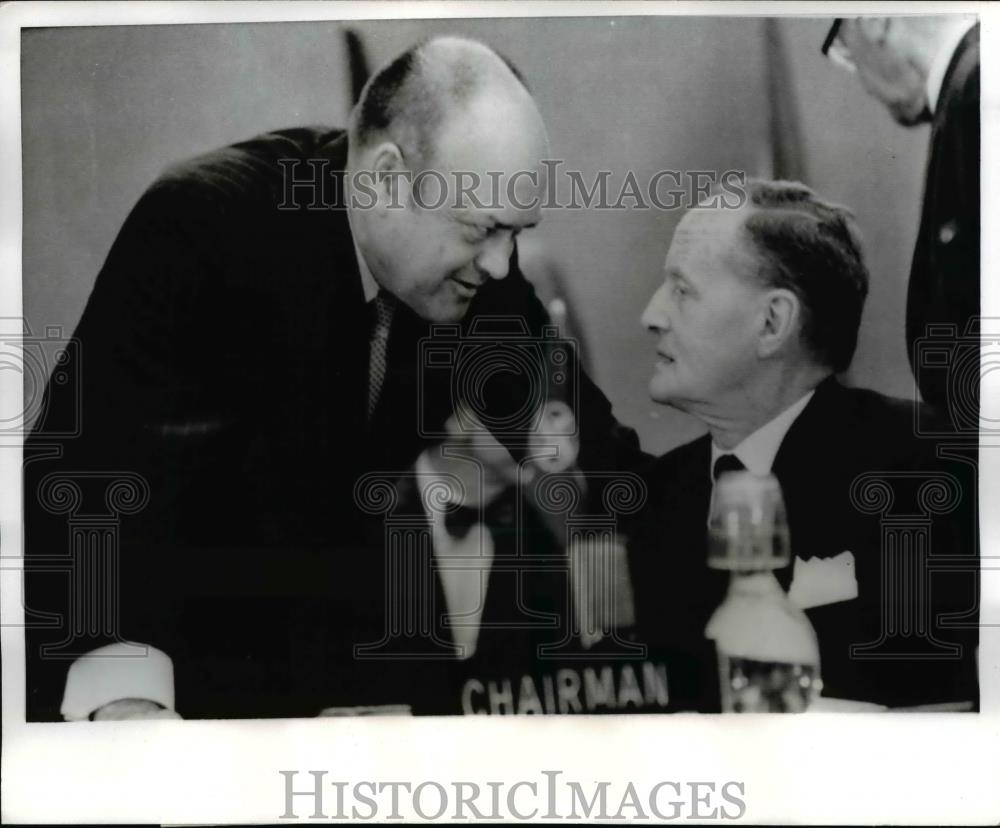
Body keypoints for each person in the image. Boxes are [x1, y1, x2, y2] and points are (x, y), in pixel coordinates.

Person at [23, 36, 646, 721]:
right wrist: (126, 698)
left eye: (515, 233)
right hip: (178, 698)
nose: (501, 265)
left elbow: (597, 451)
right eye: (481, 229)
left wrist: (749, 502)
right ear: (383, 177)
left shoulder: (481, 277)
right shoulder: (204, 229)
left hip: (328, 699)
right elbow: (88, 485)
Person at [627, 179, 978, 710]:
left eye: (682, 289)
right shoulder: (652, 498)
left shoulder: (926, 469)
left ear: (772, 322)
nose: (651, 315)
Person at [822, 15, 980, 415]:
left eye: (844, 49)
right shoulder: (970, 85)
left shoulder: (980, 84)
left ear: (873, 19)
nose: (863, 83)